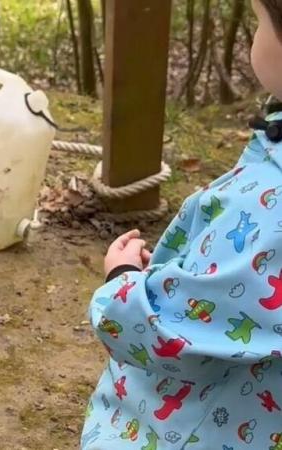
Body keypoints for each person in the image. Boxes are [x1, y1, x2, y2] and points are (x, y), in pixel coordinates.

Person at [81, 1, 282, 448]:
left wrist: (123, 281)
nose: (254, 35)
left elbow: (171, 336)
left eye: (259, 21)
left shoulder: (268, 208)